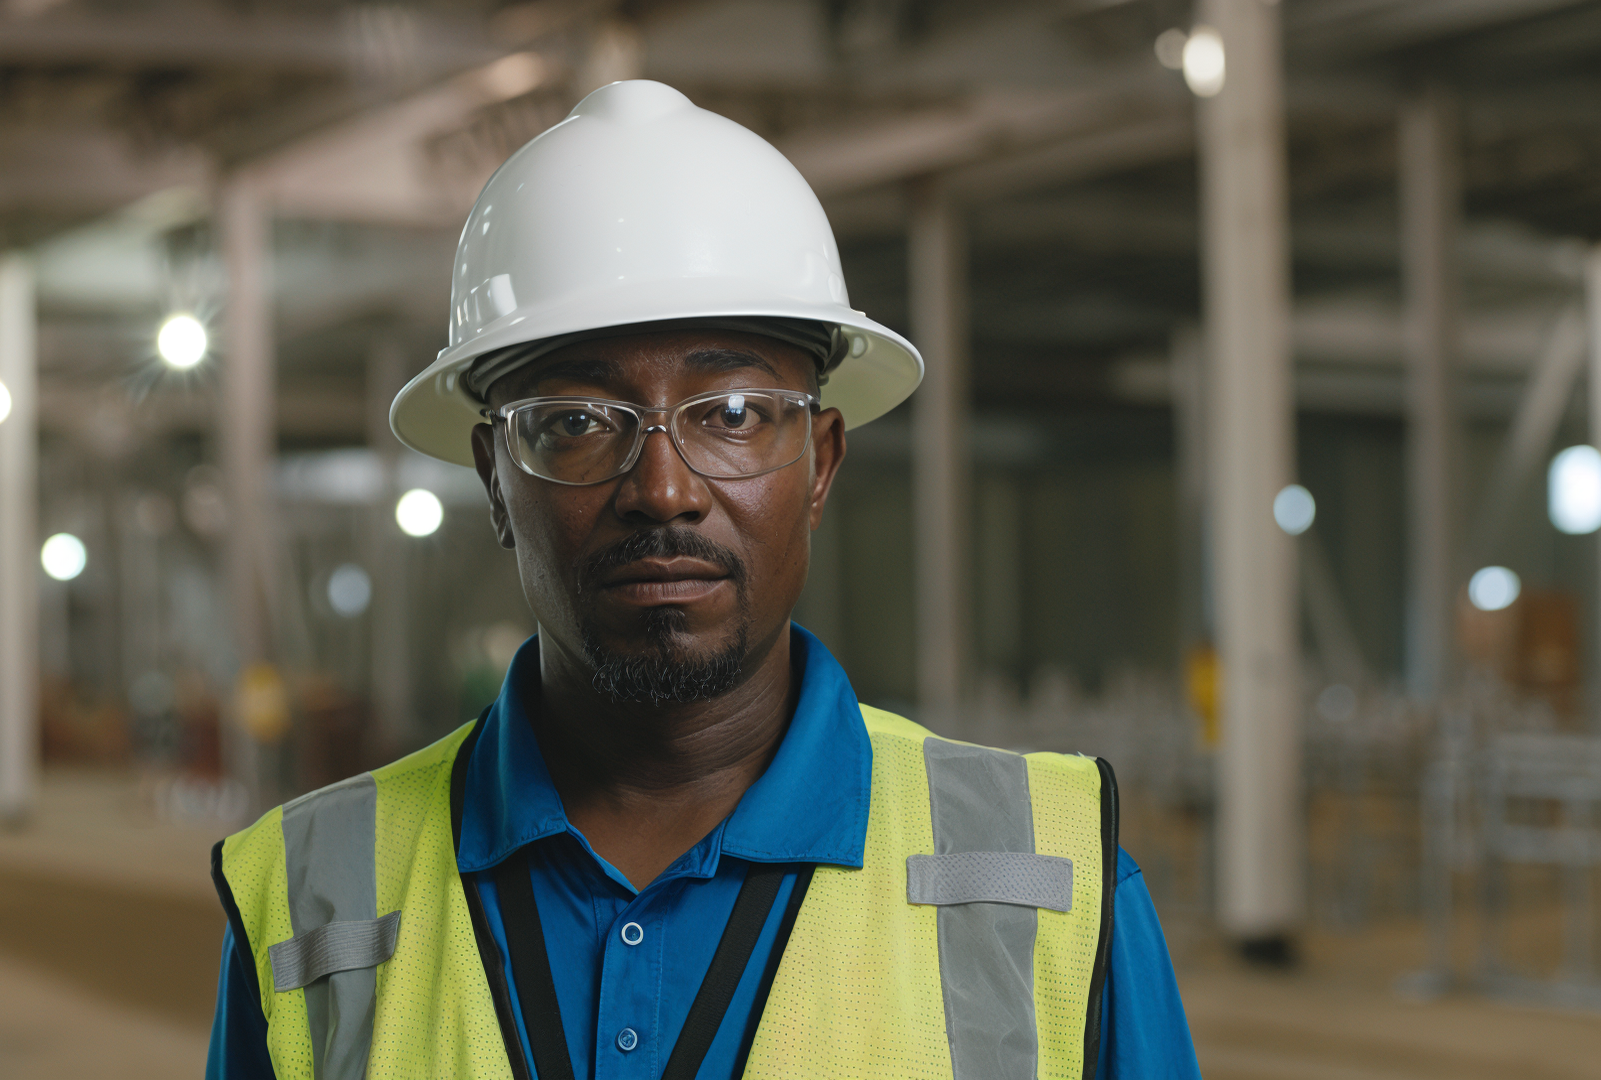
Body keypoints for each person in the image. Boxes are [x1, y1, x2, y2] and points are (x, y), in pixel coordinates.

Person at [207, 80, 1201, 1080]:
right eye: (578, 421)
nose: (665, 489)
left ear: (822, 463)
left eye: (730, 411)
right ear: (494, 483)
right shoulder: (312, 904)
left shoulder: (1052, 887)